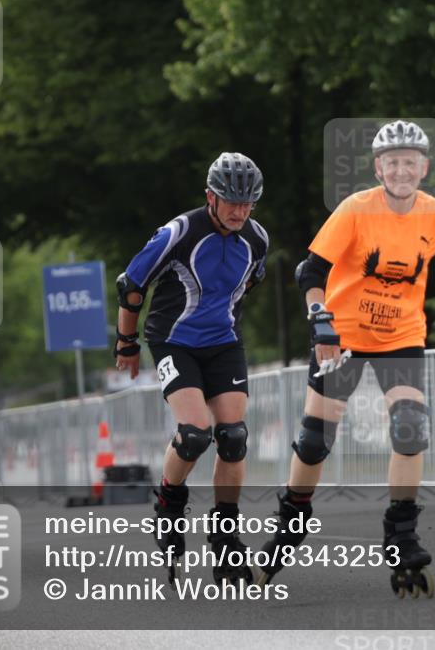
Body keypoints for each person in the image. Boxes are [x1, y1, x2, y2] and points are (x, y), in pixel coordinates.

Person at [254, 120, 435, 598]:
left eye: (410, 161)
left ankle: (402, 534)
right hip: (342, 335)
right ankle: (290, 525)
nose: (401, 170)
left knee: (411, 428)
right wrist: (318, 318)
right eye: (392, 162)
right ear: (379, 168)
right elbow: (312, 269)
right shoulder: (355, 209)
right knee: (314, 440)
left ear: (424, 167)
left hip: (400, 337)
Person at [114, 152, 268, 585]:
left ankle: (225, 537)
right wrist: (126, 342)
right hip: (173, 342)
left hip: (223, 344)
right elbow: (131, 287)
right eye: (230, 201)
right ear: (210, 197)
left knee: (233, 437)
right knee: (195, 433)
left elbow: (248, 284)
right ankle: (169, 501)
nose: (239, 211)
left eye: (247, 203)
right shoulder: (180, 232)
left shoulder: (257, 239)